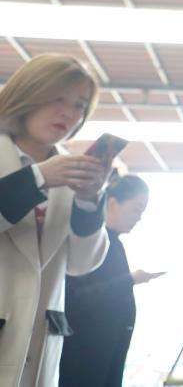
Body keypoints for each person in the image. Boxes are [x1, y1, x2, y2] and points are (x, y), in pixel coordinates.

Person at [0, 54, 109, 387]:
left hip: (37, 345)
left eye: (79, 104)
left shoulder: (69, 172)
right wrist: (36, 179)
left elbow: (81, 264)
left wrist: (89, 202)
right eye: (57, 98)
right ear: (27, 94)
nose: (69, 113)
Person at [59, 174, 160, 387]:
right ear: (112, 203)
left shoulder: (115, 243)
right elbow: (74, 298)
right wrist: (130, 280)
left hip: (103, 362)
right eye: (136, 209)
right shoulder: (89, 243)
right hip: (81, 363)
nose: (139, 217)